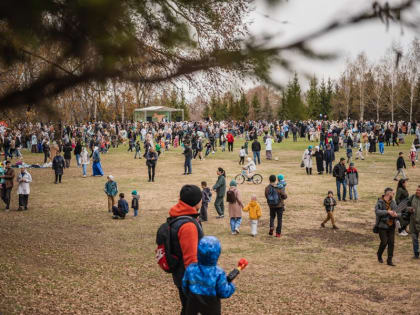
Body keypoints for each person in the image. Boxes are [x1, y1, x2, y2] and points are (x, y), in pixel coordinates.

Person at [168, 185, 204, 315]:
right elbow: (191, 259)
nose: (202, 201)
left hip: (179, 273)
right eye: (201, 199)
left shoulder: (178, 215)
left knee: (188, 308)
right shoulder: (188, 225)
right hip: (188, 277)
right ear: (196, 202)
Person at [182, 236, 235, 315]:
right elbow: (223, 292)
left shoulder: (191, 269)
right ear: (217, 254)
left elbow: (185, 285)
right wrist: (231, 286)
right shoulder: (218, 273)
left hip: (193, 302)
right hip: (211, 306)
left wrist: (189, 296)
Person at [375, 187, 399, 266]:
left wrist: (396, 214)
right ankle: (379, 254)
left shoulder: (393, 202)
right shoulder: (380, 202)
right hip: (382, 226)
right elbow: (377, 212)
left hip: (392, 225)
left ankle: (389, 260)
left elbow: (397, 211)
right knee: (384, 242)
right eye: (392, 193)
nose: (393, 194)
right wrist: (388, 212)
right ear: (388, 194)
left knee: (391, 243)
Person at [407, 185, 420, 259]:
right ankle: (416, 254)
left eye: (419, 190)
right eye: (417, 190)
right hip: (413, 222)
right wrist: (410, 209)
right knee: (414, 239)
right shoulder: (412, 197)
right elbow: (406, 206)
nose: (418, 191)